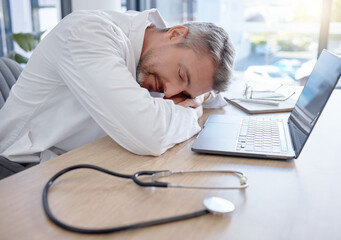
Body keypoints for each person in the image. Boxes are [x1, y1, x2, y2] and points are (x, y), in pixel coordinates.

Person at [0, 9, 234, 179]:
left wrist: (199, 96)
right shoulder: (89, 33)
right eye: (181, 75)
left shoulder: (148, 44)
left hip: (79, 160)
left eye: (184, 93)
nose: (171, 93)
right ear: (175, 34)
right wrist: (194, 112)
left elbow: (212, 96)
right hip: (22, 172)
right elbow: (149, 133)